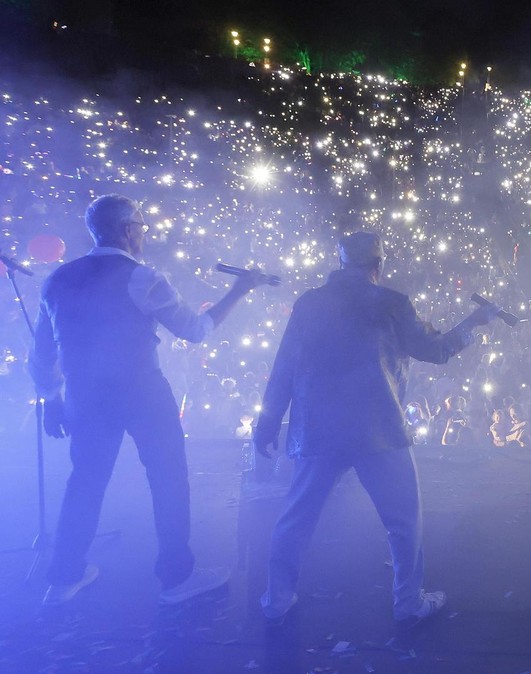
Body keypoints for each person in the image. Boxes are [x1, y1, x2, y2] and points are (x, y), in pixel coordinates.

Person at [30, 194, 273, 605]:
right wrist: (239, 290)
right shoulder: (140, 277)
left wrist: (53, 401)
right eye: (141, 226)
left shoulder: (56, 280)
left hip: (85, 396)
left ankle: (64, 577)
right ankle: (177, 577)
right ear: (127, 230)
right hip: (140, 391)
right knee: (168, 478)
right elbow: (195, 330)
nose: (144, 234)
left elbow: (42, 352)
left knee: (84, 482)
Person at [253, 231, 499, 623]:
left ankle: (277, 599)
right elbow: (434, 350)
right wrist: (475, 322)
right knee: (404, 522)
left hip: (319, 429)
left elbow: (283, 367)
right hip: (378, 430)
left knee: (297, 517)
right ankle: (408, 602)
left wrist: (266, 423)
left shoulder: (309, 304)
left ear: (342, 262)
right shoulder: (391, 304)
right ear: (378, 265)